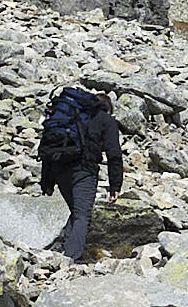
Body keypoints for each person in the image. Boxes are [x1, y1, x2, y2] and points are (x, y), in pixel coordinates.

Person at [38, 84, 126, 263]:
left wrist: (46, 182)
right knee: (82, 215)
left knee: (75, 210)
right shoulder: (106, 120)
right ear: (108, 109)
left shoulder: (69, 118)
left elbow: (49, 148)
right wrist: (115, 185)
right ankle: (70, 259)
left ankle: (64, 250)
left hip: (58, 168)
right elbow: (114, 153)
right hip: (84, 170)